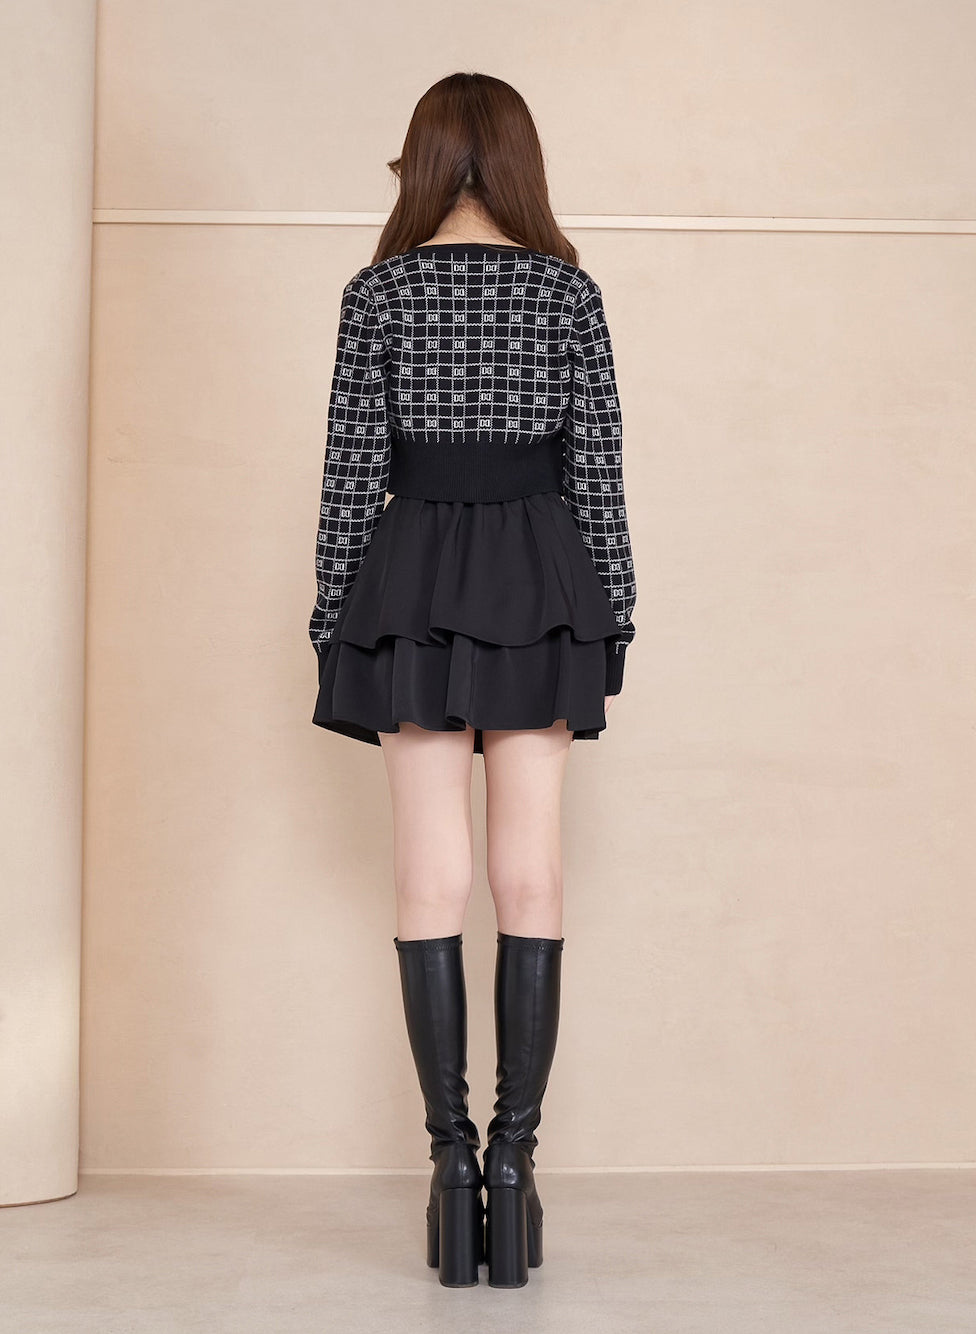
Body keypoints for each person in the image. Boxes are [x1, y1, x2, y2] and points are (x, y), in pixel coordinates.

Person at [307, 72, 637, 1288]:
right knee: (530, 870)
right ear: (519, 164)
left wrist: (332, 618)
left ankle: (448, 1167)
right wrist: (613, 612)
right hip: (541, 574)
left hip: (410, 579)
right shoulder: (566, 291)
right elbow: (597, 468)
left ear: (422, 159)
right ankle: (513, 1159)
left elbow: (352, 472)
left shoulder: (379, 293)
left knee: (426, 874)